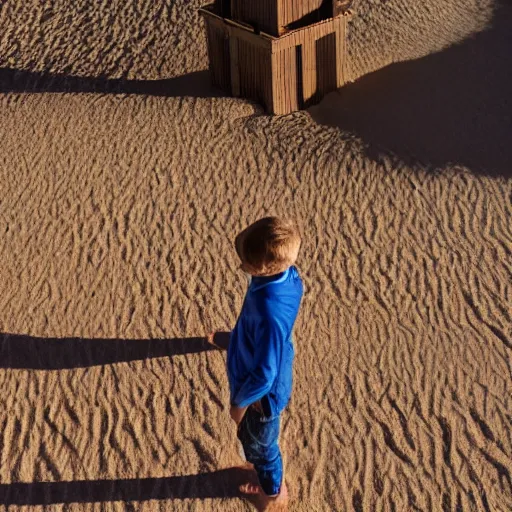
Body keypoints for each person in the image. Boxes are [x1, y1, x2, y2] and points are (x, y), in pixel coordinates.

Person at [209, 217, 303, 508]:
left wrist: (240, 403)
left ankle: (273, 491)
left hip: (262, 401)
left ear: (259, 268)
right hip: (262, 340)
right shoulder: (287, 276)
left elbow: (264, 375)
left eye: (244, 263)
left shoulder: (268, 314)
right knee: (253, 332)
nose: (240, 266)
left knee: (260, 448)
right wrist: (244, 336)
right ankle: (240, 338)